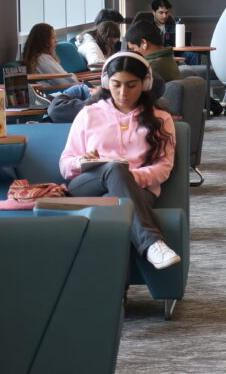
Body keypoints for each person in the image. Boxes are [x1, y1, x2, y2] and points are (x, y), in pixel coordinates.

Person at [58, 52, 181, 270]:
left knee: (114, 209)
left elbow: (164, 168)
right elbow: (65, 165)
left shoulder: (161, 118)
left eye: (131, 85)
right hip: (88, 184)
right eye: (116, 85)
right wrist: (81, 161)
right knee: (114, 168)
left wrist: (125, 177)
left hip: (138, 189)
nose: (123, 93)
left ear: (145, 84)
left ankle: (115, 300)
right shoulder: (89, 114)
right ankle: (152, 243)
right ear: (106, 83)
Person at [22, 23, 91, 100]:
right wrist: (75, 79)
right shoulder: (42, 59)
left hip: (64, 90)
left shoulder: (39, 58)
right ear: (43, 41)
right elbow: (63, 82)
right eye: (52, 38)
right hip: (63, 93)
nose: (56, 41)